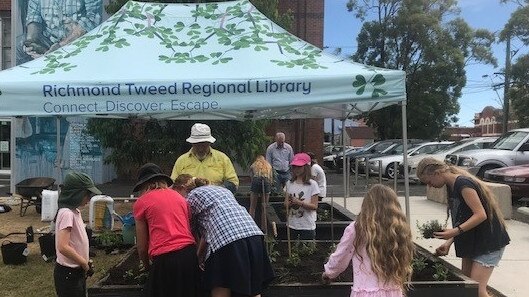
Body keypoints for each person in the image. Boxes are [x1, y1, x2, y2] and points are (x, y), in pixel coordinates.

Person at [416, 157, 510, 297]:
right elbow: (463, 218)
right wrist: (449, 242)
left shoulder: (463, 184)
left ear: (437, 173)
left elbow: (480, 215)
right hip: (472, 241)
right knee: (466, 288)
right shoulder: (451, 186)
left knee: (477, 291)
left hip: (488, 242)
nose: (429, 186)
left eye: (429, 182)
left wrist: (455, 231)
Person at [177, 177, 274, 297]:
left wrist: (196, 260)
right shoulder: (222, 190)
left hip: (226, 241)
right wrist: (200, 257)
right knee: (253, 288)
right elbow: (207, 234)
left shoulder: (191, 197)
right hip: (253, 236)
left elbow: (191, 232)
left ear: (183, 189)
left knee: (220, 284)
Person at [322, 184, 414, 297]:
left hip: (365, 292)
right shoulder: (399, 230)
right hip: (393, 292)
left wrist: (329, 273)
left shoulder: (357, 229)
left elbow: (340, 257)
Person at [133, 163, 199, 297]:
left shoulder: (142, 202)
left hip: (165, 259)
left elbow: (141, 246)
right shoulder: (180, 198)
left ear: (143, 185)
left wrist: (146, 266)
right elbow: (189, 228)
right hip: (189, 254)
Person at [54, 171, 102, 297]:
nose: (89, 198)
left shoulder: (75, 212)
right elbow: (63, 246)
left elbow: (75, 242)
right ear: (76, 194)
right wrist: (83, 262)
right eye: (87, 194)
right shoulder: (67, 213)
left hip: (76, 271)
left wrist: (85, 261)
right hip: (68, 274)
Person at [18, 0, 103, 63]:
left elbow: (92, 19)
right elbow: (33, 19)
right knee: (19, 47)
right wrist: (32, 43)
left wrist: (61, 46)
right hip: (49, 43)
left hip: (78, 42)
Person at [170, 123, 239, 194]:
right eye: (197, 144)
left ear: (209, 142)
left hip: (215, 200)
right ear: (192, 143)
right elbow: (173, 184)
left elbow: (233, 183)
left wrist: (216, 190)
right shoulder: (182, 160)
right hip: (188, 201)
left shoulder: (222, 158)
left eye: (204, 144)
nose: (200, 149)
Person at [284, 153, 320, 240]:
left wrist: (300, 203)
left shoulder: (312, 185)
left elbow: (314, 206)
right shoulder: (289, 183)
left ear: (306, 167)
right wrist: (291, 203)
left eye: (299, 167)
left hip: (307, 225)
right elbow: (285, 204)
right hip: (292, 224)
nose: (296, 169)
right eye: (294, 167)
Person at [248, 155, 273, 229]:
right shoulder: (268, 165)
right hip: (266, 180)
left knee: (252, 206)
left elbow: (250, 174)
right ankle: (264, 228)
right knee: (265, 206)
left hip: (256, 179)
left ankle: (251, 226)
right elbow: (271, 178)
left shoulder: (255, 163)